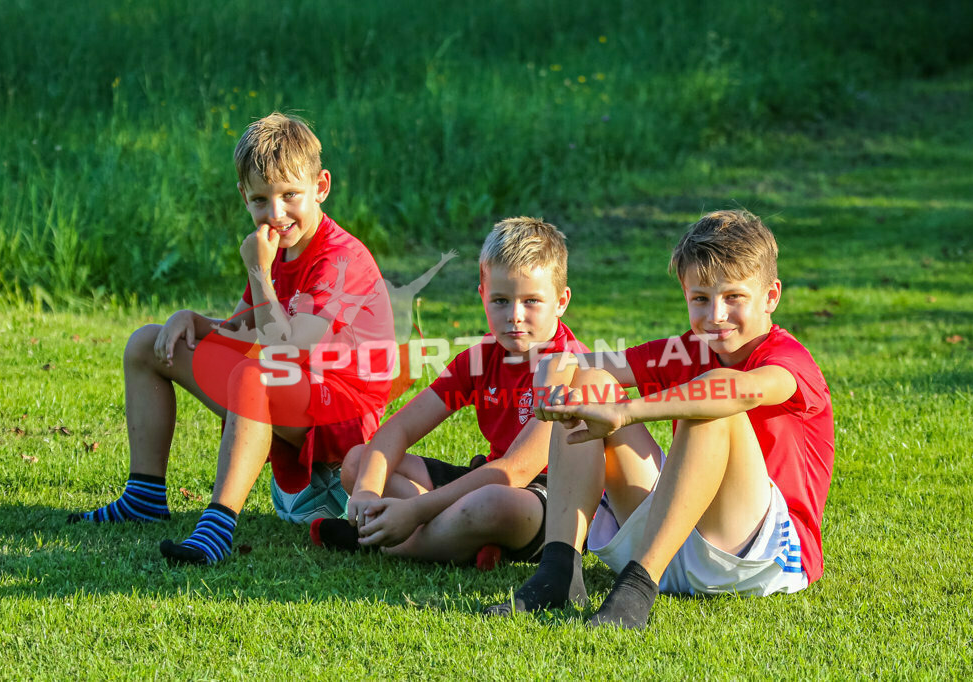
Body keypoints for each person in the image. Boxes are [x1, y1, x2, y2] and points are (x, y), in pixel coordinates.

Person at [68, 112, 394, 566]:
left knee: (255, 374)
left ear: (320, 187)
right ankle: (144, 497)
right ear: (244, 196)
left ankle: (217, 526)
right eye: (261, 199)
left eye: (290, 195)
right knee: (148, 344)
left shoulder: (339, 259)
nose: (276, 214)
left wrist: (258, 269)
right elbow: (246, 329)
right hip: (294, 392)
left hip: (344, 413)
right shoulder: (278, 252)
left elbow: (285, 350)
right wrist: (194, 321)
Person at [485, 209, 835, 628]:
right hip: (675, 542)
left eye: (734, 297)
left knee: (712, 407)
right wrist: (549, 382)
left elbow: (735, 391)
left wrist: (625, 411)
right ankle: (558, 574)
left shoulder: (789, 359)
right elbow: (568, 361)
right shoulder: (687, 349)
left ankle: (636, 590)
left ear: (771, 296)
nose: (716, 315)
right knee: (592, 382)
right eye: (700, 299)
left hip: (759, 557)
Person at [311, 217, 587, 567]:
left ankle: (383, 542)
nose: (514, 316)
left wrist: (415, 510)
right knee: (357, 462)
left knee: (492, 503)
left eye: (531, 301)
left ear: (561, 301)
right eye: (501, 300)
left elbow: (515, 472)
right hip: (486, 480)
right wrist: (366, 491)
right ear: (482, 296)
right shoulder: (480, 359)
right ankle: (460, 539)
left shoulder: (570, 365)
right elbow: (400, 428)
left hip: (550, 500)